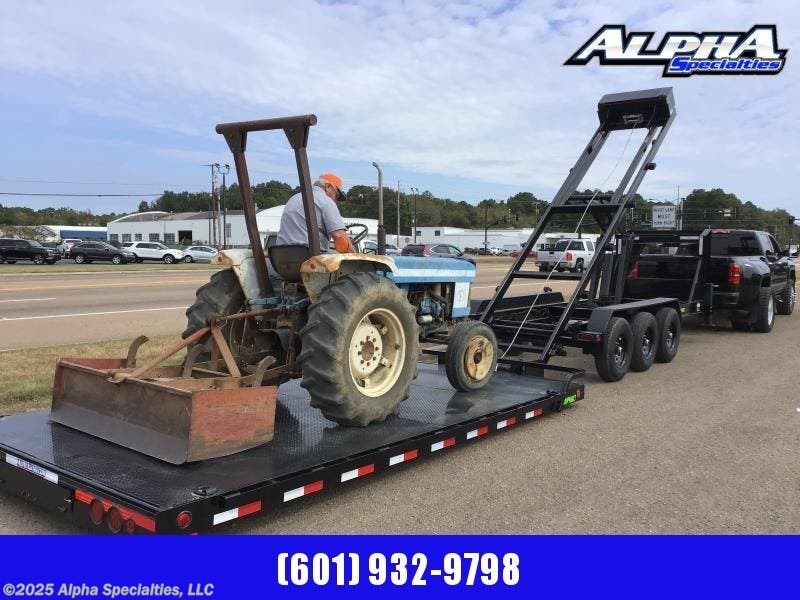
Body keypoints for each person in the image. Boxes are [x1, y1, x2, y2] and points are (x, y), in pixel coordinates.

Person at [276, 173, 353, 252]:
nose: (336, 201)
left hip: (281, 257)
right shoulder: (326, 201)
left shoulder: (294, 198)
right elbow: (339, 236)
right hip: (308, 257)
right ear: (328, 187)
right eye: (337, 196)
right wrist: (358, 259)